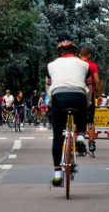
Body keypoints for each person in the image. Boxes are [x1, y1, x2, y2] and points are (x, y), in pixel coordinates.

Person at [46, 40, 90, 186]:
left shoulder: (51, 65)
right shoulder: (85, 65)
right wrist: (88, 103)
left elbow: (48, 89)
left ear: (59, 52)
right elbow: (89, 87)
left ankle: (57, 174)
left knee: (57, 137)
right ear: (75, 52)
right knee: (82, 112)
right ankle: (81, 139)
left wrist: (52, 105)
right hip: (79, 96)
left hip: (59, 96)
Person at [79, 46, 102, 154]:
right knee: (90, 120)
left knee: (75, 120)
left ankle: (77, 143)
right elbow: (97, 81)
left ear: (79, 55)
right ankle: (92, 143)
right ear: (89, 55)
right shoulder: (92, 65)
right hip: (89, 94)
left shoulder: (77, 65)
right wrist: (99, 94)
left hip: (77, 93)